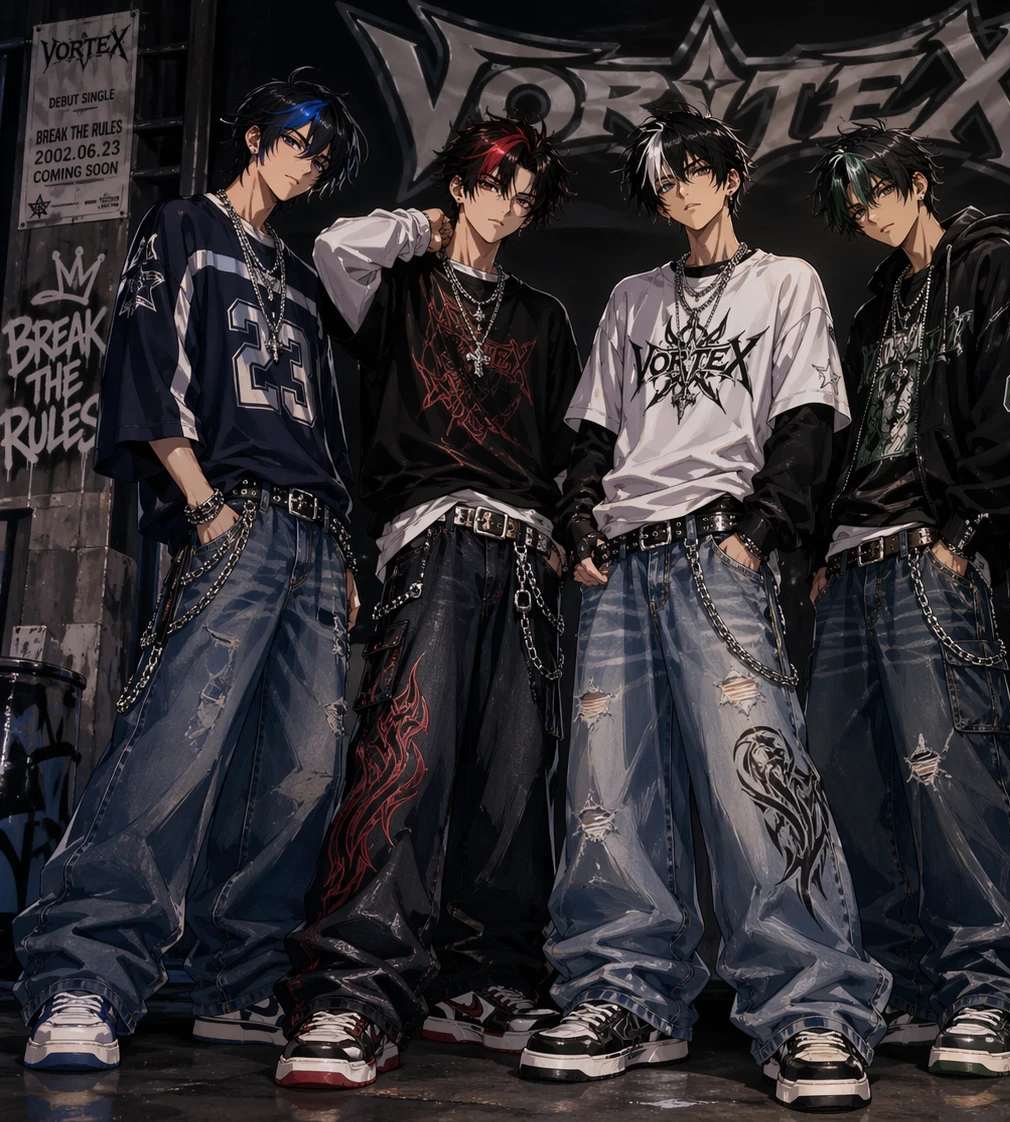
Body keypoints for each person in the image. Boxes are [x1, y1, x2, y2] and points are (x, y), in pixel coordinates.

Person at [520, 104, 890, 1113]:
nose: (680, 190)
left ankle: (813, 1006)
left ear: (729, 176)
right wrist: (579, 523)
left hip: (718, 549)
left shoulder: (785, 283)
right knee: (607, 788)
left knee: (756, 776)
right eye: (664, 179)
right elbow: (592, 434)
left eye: (694, 171)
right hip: (622, 562)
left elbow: (807, 421)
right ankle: (622, 992)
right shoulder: (632, 299)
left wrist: (758, 534)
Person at [15, 71, 364, 1071]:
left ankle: (240, 982)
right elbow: (145, 365)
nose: (310, 162)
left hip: (314, 537)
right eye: (299, 140)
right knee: (174, 746)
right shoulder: (184, 229)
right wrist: (203, 503)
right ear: (256, 136)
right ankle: (83, 975)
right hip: (235, 518)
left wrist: (341, 547)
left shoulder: (300, 276)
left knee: (297, 774)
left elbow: (325, 423)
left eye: (324, 155)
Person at [274, 115, 579, 1088]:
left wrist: (567, 534)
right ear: (460, 184)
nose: (509, 207)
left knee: (511, 784)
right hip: (430, 542)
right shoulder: (399, 286)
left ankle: (484, 982)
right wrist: (424, 230)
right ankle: (352, 992)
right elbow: (333, 247)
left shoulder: (543, 318)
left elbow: (569, 449)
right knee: (404, 763)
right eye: (495, 185)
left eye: (525, 197)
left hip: (524, 557)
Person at [805, 124, 1010, 1077]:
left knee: (954, 779)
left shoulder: (989, 263)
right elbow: (849, 436)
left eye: (878, 191)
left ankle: (993, 989)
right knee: (850, 790)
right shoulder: (873, 308)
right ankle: (904, 985)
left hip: (929, 551)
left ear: (918, 183)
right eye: (854, 203)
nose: (868, 212)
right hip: (851, 562)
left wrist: (966, 528)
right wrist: (822, 547)